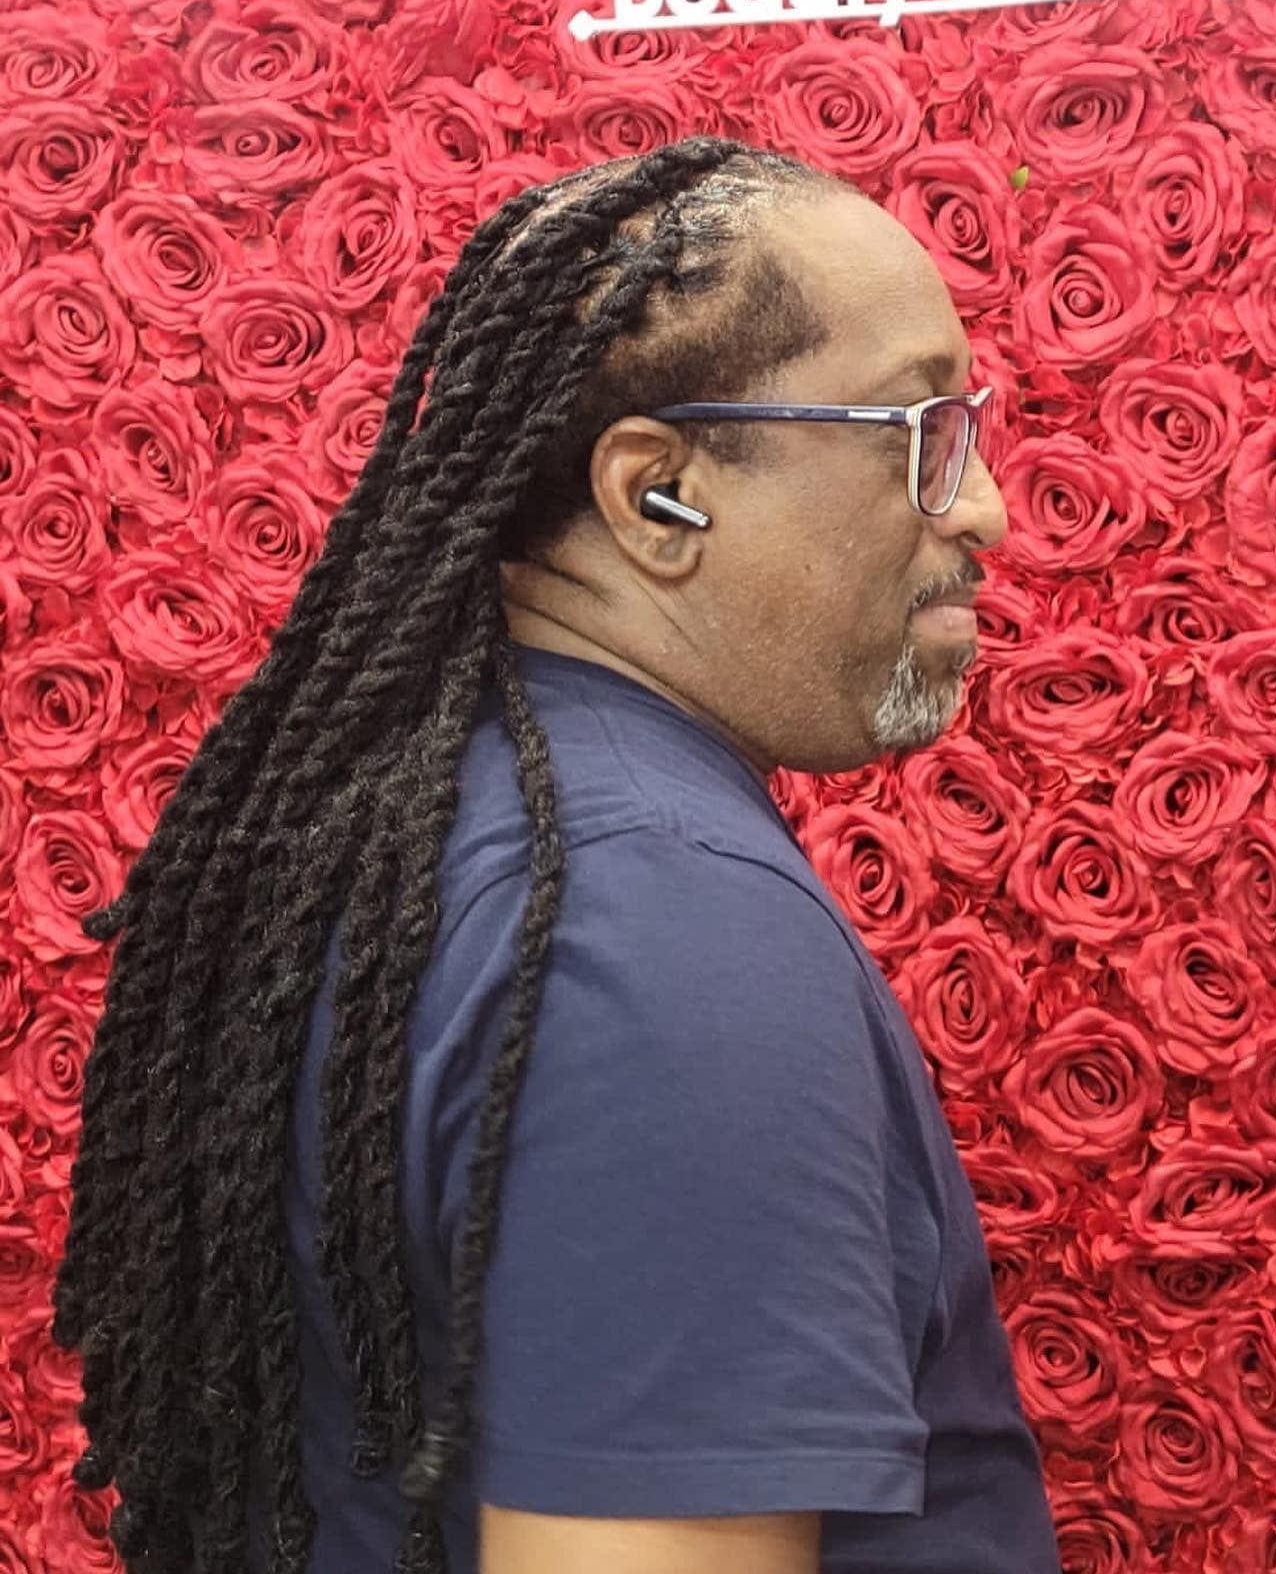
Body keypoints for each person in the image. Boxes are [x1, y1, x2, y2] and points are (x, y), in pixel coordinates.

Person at [54, 137, 1061, 1574]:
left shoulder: (461, 844)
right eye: (919, 434)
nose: (980, 508)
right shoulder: (656, 933)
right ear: (660, 495)